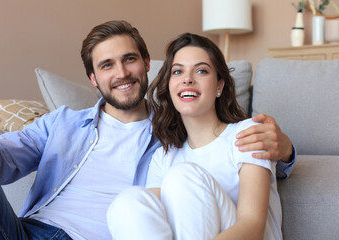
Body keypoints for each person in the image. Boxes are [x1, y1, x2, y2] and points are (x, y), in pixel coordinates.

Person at [0, 21, 293, 240]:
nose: (121, 73)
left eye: (129, 59)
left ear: (146, 64)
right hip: (22, 230)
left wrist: (287, 151)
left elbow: (238, 159)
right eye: (107, 65)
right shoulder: (62, 123)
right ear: (93, 78)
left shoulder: (167, 135)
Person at [106, 33, 283, 240]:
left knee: (182, 177)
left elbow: (252, 226)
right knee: (128, 201)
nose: (187, 79)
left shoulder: (248, 133)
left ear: (219, 86)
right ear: (169, 85)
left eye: (201, 71)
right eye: (178, 71)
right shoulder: (164, 157)